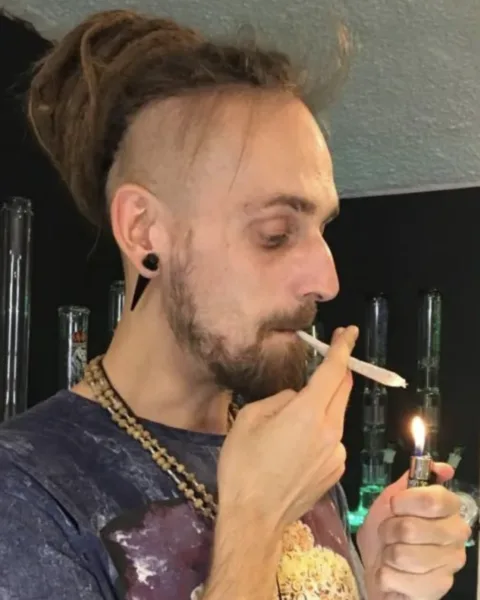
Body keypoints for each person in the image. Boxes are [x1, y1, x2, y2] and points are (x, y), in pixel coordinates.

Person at [0, 9, 469, 600]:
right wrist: (256, 523)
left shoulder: (284, 451)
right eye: (276, 234)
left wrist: (377, 582)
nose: (327, 280)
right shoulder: (25, 496)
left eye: (322, 229)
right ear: (144, 231)